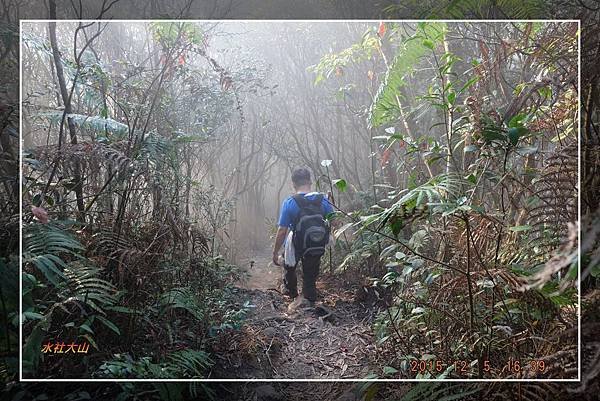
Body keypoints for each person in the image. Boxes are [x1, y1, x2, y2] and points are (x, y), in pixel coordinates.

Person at [272, 167, 335, 305]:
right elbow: (335, 221)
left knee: (288, 264)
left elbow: (282, 231)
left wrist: (275, 252)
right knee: (310, 275)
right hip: (316, 243)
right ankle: (309, 299)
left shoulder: (290, 202)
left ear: (294, 184)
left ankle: (291, 292)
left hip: (298, 242)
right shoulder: (322, 200)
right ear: (310, 182)